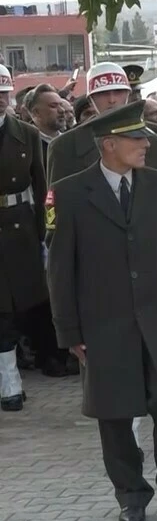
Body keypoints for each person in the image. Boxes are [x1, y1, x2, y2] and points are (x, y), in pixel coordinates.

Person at [46, 100, 157, 521]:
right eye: (136, 138)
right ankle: (131, 495)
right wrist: (68, 330)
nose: (145, 145)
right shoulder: (70, 193)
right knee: (114, 415)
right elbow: (60, 269)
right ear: (108, 144)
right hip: (102, 324)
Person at [0, 64, 49, 411]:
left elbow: (42, 187)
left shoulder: (27, 134)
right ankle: (9, 380)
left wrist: (45, 233)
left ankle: (10, 376)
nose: (0, 99)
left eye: (3, 93)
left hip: (18, 227)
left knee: (14, 308)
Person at [46, 62, 157, 187]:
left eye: (118, 91)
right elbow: (57, 197)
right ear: (90, 99)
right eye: (103, 93)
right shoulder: (64, 147)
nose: (112, 100)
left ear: (128, 95)